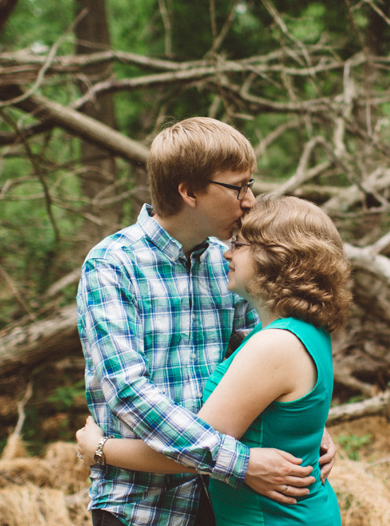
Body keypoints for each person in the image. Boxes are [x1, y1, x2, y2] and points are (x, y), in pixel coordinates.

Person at [76, 118, 337, 526]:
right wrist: (239, 462)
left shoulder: (227, 263)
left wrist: (306, 428)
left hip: (223, 503)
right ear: (188, 191)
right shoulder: (113, 265)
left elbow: (260, 359)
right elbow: (127, 392)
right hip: (142, 505)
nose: (249, 200)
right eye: (239, 187)